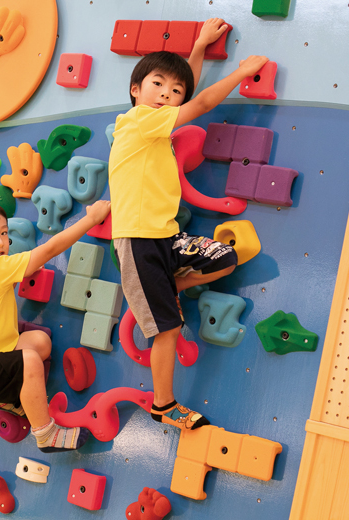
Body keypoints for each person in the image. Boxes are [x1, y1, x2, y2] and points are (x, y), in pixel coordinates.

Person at [108, 18, 269, 430]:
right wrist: (241, 72)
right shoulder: (138, 121)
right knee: (168, 329)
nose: (167, 93)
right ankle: (164, 405)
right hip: (138, 241)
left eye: (174, 90)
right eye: (157, 84)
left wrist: (199, 47)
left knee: (225, 258)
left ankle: (172, 287)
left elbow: (188, 93)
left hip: (166, 236)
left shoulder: (157, 126)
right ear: (135, 90)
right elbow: (198, 104)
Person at [0, 196, 111, 452]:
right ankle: (46, 434)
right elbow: (49, 250)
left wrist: (25, 267)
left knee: (39, 343)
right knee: (30, 360)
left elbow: (2, 284)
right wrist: (91, 219)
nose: (0, 242)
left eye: (4, 232)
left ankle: (6, 398)